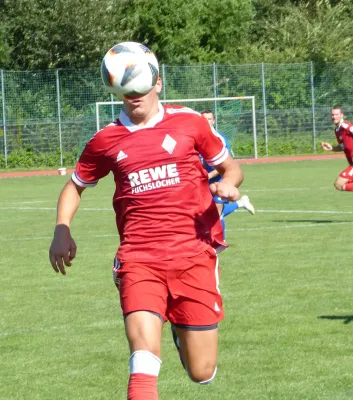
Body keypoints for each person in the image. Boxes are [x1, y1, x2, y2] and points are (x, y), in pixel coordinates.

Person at [48, 43, 244, 399]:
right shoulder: (105, 140)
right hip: (139, 259)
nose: (133, 97)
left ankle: (181, 335)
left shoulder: (191, 123)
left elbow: (230, 169)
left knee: (203, 373)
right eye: (125, 92)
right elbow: (75, 186)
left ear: (158, 83)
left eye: (139, 89)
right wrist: (62, 230)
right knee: (143, 360)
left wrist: (227, 185)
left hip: (195, 254)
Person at [200, 109, 255, 236]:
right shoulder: (197, 138)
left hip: (219, 180)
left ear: (213, 121)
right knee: (204, 212)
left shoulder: (220, 139)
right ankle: (241, 203)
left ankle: (219, 243)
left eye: (209, 119)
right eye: (203, 119)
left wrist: (208, 175)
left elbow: (225, 165)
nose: (206, 122)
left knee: (217, 213)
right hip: (203, 181)